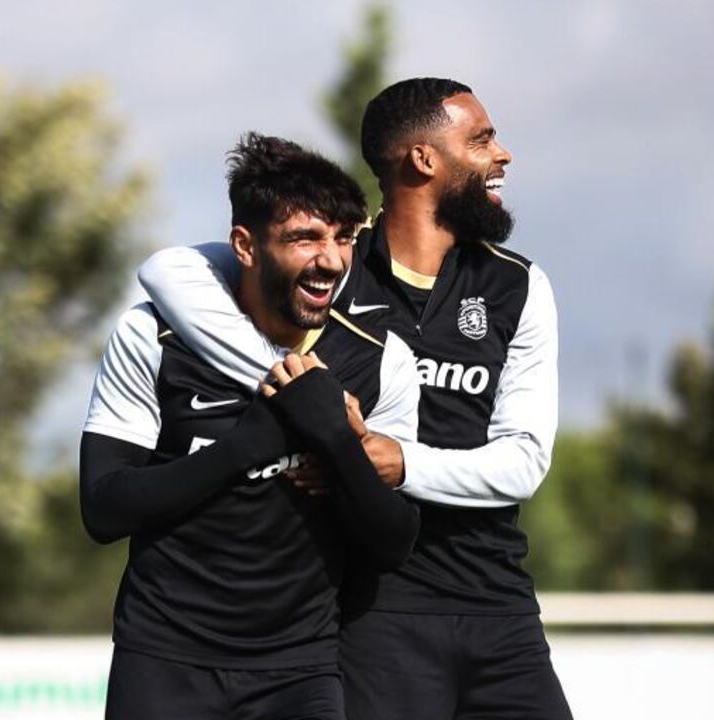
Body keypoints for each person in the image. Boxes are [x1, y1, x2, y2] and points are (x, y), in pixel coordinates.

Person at [137, 79, 572, 718]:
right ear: (423, 160)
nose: (502, 154)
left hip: (499, 607)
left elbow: (525, 461)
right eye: (481, 140)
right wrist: (305, 400)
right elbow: (168, 270)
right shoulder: (329, 262)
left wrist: (397, 461)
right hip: (371, 612)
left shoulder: (518, 286)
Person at [81, 133, 421, 720]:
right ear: (244, 245)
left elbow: (394, 541)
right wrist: (248, 446)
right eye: (304, 238)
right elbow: (104, 508)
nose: (332, 261)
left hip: (300, 671)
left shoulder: (379, 357)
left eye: (343, 238)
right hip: (163, 662)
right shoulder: (153, 337)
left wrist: (337, 444)